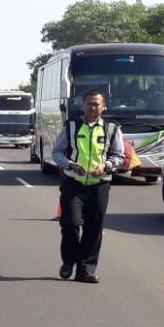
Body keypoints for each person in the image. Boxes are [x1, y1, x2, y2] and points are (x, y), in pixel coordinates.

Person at [52, 90, 124, 284]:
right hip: (73, 184)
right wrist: (69, 164)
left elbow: (119, 156)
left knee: (94, 229)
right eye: (89, 104)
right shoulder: (71, 127)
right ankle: (69, 261)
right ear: (83, 106)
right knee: (71, 223)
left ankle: (86, 270)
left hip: (99, 186)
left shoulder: (112, 129)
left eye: (96, 104)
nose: (92, 108)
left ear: (103, 107)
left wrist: (106, 166)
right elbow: (57, 152)